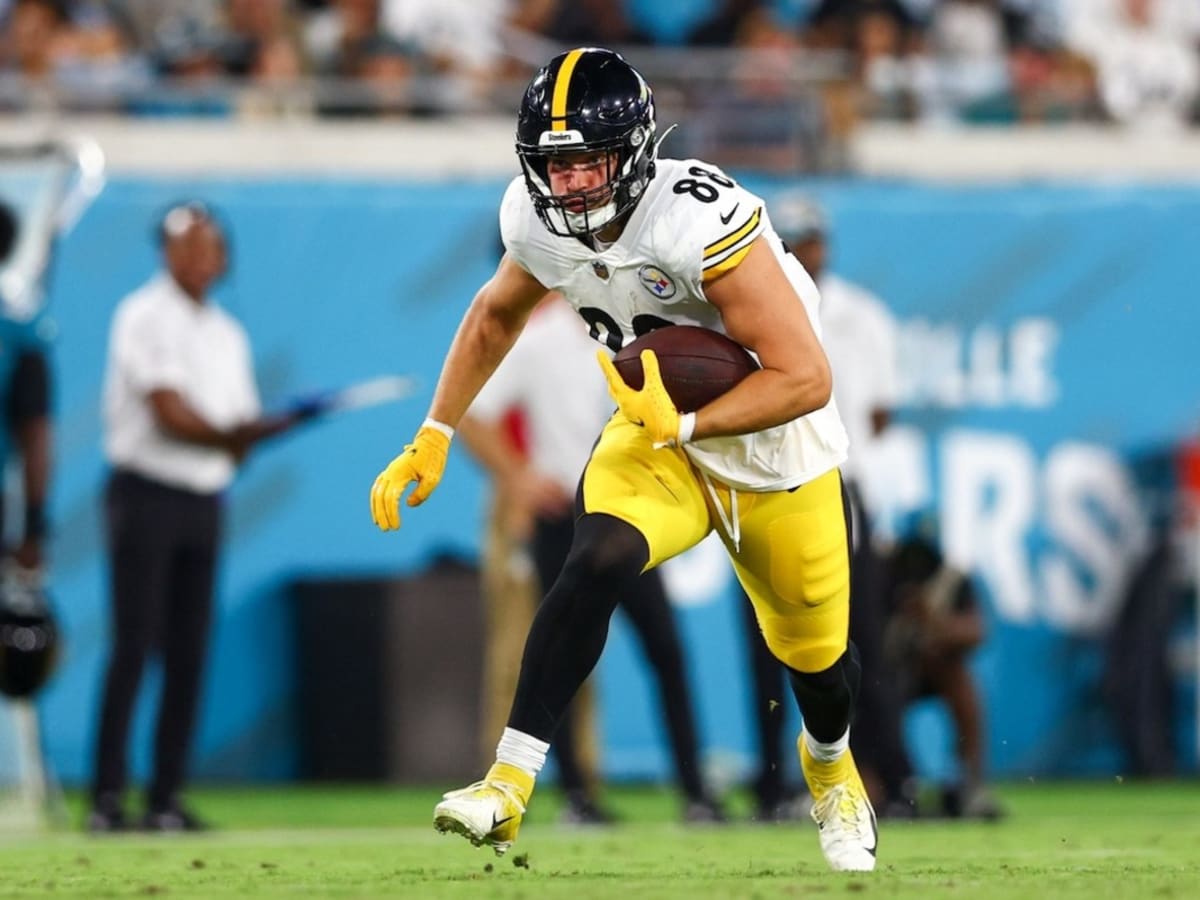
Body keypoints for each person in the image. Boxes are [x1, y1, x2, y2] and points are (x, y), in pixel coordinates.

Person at [369, 48, 877, 871]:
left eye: (585, 163)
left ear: (634, 152)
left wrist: (686, 422)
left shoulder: (696, 219)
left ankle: (830, 768)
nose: (566, 185)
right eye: (552, 165)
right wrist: (436, 430)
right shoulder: (534, 220)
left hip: (774, 449)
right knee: (597, 556)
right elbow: (494, 315)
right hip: (655, 434)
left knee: (819, 664)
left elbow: (806, 377)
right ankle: (506, 784)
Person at [88, 202, 317, 832]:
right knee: (135, 646)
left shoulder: (227, 333)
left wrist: (269, 428)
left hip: (203, 501)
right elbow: (169, 412)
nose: (197, 258)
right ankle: (108, 798)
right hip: (145, 495)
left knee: (189, 652)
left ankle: (164, 798)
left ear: (224, 257)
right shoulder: (142, 315)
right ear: (164, 253)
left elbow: (233, 430)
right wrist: (239, 436)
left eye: (208, 246)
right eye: (184, 246)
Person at [459, 292, 724, 825]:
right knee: (564, 656)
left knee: (666, 652)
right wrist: (520, 478)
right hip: (569, 517)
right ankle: (576, 796)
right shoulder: (539, 341)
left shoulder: (640, 330)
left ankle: (696, 793)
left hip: (633, 513)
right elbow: (473, 414)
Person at [772, 195, 918, 817]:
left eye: (815, 239)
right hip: (769, 484)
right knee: (769, 647)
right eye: (798, 239)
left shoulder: (860, 314)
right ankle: (772, 781)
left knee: (860, 642)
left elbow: (880, 414)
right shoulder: (750, 301)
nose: (810, 250)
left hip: (836, 480)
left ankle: (892, 778)